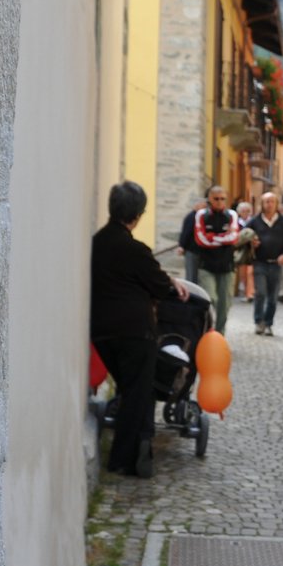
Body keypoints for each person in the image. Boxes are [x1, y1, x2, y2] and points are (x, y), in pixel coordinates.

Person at [91, 181, 189, 478]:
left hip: (101, 332)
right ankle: (125, 459)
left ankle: (137, 452)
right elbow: (159, 285)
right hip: (135, 332)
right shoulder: (135, 249)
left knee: (131, 390)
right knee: (138, 393)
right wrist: (172, 282)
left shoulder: (96, 243)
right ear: (136, 215)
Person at [192, 184, 240, 334]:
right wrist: (222, 239)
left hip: (226, 266)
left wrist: (212, 237)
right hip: (207, 265)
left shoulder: (232, 215)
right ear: (209, 199)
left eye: (223, 199)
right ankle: (207, 332)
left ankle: (219, 335)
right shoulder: (201, 215)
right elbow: (200, 240)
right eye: (216, 199)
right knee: (210, 299)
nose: (219, 202)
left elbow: (233, 238)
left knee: (225, 304)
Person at [246, 191, 283, 336]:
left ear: (276, 204)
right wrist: (251, 242)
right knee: (260, 293)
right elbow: (243, 235)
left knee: (273, 297)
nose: (269, 204)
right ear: (262, 204)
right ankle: (259, 321)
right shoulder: (255, 221)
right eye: (267, 201)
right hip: (260, 262)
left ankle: (268, 323)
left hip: (277, 264)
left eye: (272, 201)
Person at [233, 200, 255, 300]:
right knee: (242, 273)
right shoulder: (236, 223)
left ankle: (250, 293)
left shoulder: (253, 221)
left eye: (247, 210)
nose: (245, 212)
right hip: (241, 251)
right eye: (243, 211)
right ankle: (245, 291)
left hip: (251, 251)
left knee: (250, 272)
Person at [176, 200, 202, 283]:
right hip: (191, 250)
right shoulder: (192, 217)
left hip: (197, 250)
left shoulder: (198, 216)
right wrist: (182, 246)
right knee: (191, 275)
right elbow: (186, 233)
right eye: (203, 206)